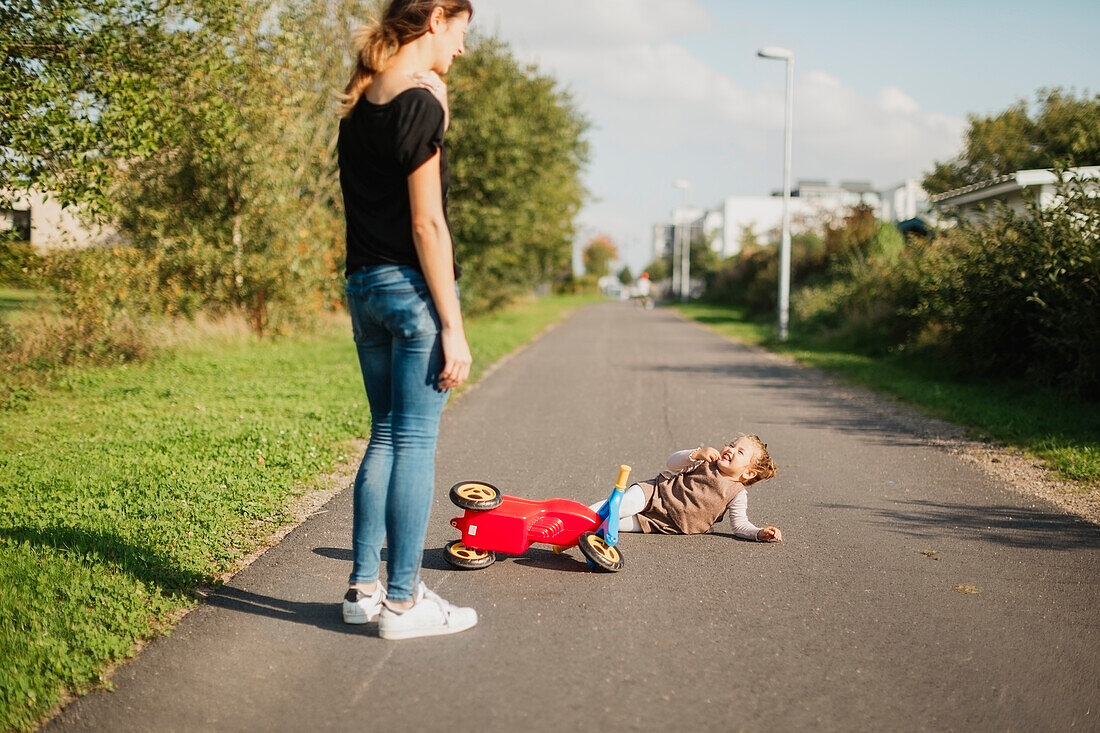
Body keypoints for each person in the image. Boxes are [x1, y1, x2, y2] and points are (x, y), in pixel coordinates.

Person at [337, 0, 476, 640]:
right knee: (414, 442)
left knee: (385, 435)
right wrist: (452, 323)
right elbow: (427, 222)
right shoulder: (421, 104)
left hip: (362, 289)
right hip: (410, 292)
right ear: (436, 19)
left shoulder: (362, 100)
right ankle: (401, 603)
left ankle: (362, 591)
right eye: (462, 33)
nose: (462, 50)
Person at [589, 434, 782, 541]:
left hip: (664, 523)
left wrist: (758, 532)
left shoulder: (737, 494)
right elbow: (671, 464)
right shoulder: (707, 460)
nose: (730, 450)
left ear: (748, 473)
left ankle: (582, 529)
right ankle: (579, 514)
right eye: (731, 445)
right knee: (619, 506)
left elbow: (740, 525)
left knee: (611, 524)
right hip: (655, 493)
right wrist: (696, 454)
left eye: (740, 452)